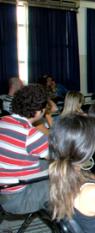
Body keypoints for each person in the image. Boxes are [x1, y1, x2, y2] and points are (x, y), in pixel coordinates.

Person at [0, 84, 49, 214]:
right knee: (68, 180)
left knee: (46, 165)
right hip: (18, 198)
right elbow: (59, 156)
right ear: (39, 111)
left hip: (4, 187)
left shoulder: (3, 120)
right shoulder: (31, 135)